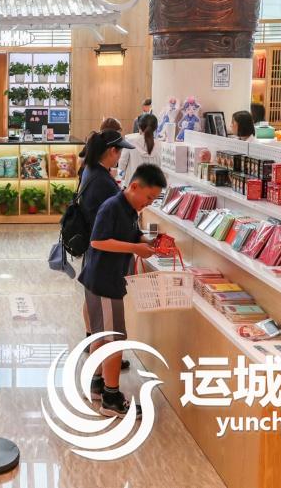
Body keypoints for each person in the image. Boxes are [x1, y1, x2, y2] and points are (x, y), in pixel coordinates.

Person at [82, 163, 168, 416]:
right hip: (104, 282)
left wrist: (145, 242)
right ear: (134, 187)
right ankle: (111, 398)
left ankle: (96, 384)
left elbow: (130, 234)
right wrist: (134, 248)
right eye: (148, 197)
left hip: (103, 280)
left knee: (101, 336)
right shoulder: (112, 207)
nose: (149, 203)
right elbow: (97, 241)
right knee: (115, 340)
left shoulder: (129, 209)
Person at [77, 130, 135, 366]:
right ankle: (105, 378)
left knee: (96, 313)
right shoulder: (102, 182)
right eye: (119, 152)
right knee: (110, 331)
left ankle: (95, 354)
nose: (120, 157)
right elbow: (112, 222)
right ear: (112, 151)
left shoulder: (91, 170)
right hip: (104, 260)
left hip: (93, 256)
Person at [118, 113, 158, 187]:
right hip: (152, 185)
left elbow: (122, 163)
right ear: (155, 128)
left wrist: (121, 177)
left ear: (139, 126)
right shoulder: (160, 144)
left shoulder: (130, 141)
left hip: (133, 184)